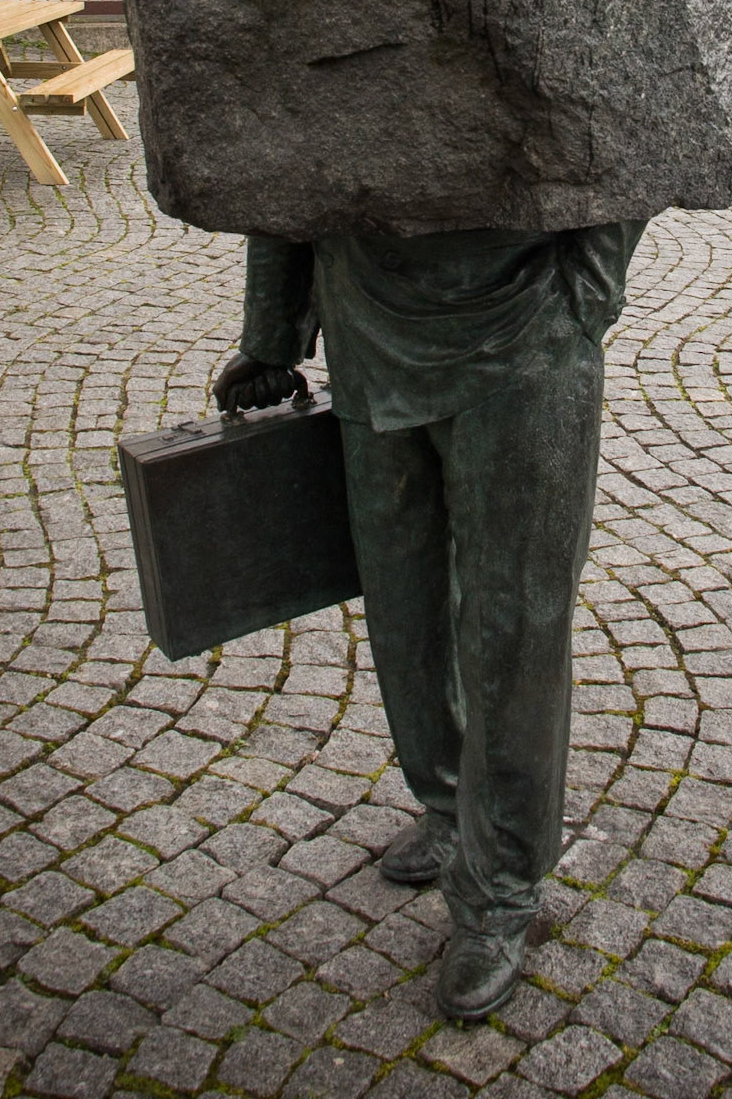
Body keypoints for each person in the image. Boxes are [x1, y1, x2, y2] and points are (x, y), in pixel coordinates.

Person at [214, 221, 646, 1021]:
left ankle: (501, 887)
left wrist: (585, 295)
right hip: (366, 330)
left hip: (526, 334)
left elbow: (634, 126)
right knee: (400, 597)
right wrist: (271, 334)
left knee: (514, 624)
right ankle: (447, 798)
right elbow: (271, 147)